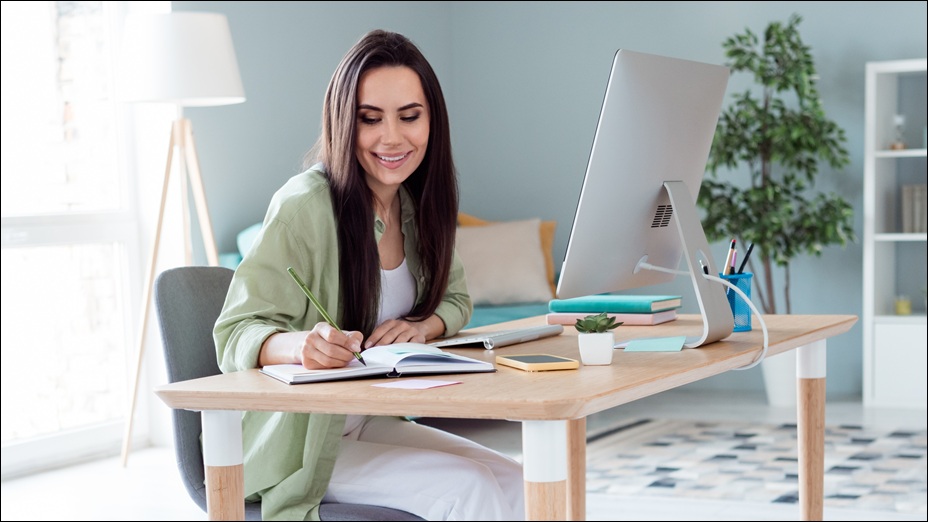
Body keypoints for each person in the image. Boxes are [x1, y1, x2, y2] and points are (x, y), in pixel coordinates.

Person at [213, 29, 525, 521]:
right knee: (469, 490)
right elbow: (234, 331)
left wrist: (425, 326)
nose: (392, 138)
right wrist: (302, 347)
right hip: (303, 443)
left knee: (513, 481)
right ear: (344, 123)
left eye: (409, 116)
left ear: (431, 122)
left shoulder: (414, 205)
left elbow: (458, 299)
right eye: (370, 119)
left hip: (365, 423)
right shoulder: (303, 207)